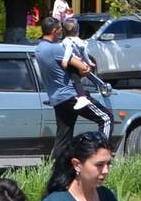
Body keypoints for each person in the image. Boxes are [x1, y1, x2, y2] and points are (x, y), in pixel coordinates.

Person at [38, 17, 106, 162]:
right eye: (59, 29)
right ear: (54, 31)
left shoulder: (39, 49)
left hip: (56, 98)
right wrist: (86, 66)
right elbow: (83, 67)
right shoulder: (56, 48)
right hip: (71, 95)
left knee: (63, 135)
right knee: (106, 119)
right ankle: (101, 157)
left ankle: (57, 168)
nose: (61, 31)